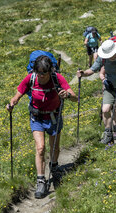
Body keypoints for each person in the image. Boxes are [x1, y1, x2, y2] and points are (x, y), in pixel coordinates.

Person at [7, 56, 77, 199]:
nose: (42, 76)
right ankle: (41, 180)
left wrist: (67, 95)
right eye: (39, 73)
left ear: (50, 71)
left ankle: (54, 167)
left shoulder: (57, 78)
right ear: (35, 71)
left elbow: (76, 97)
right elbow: (16, 96)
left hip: (54, 117)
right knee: (40, 148)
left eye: (44, 73)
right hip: (37, 118)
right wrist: (12, 104)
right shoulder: (30, 79)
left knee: (54, 147)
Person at [77, 39, 116, 144]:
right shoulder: (103, 58)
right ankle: (108, 133)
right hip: (110, 88)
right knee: (105, 109)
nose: (108, 56)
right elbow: (92, 70)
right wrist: (83, 74)